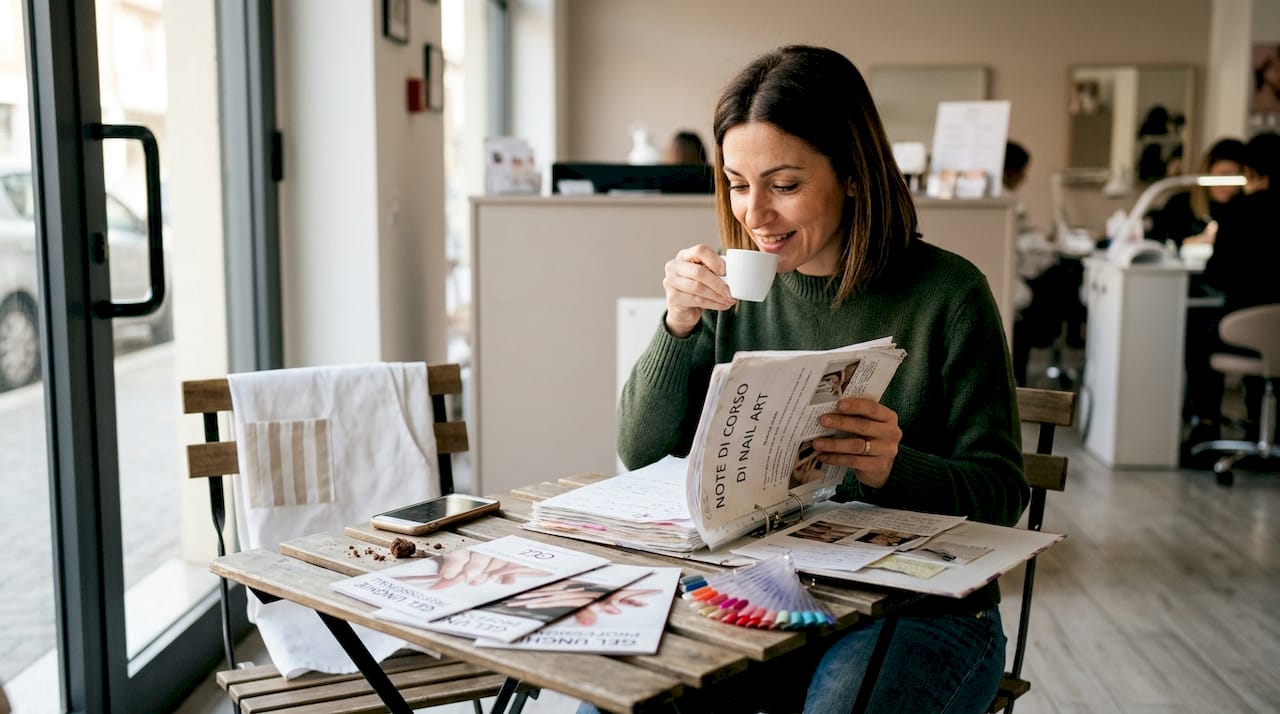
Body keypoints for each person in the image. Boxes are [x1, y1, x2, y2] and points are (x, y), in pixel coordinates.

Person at [612, 45, 1025, 714]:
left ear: (854, 174)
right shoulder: (735, 295)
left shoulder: (949, 294)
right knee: (618, 700)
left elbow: (1003, 494)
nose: (754, 214)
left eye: (783, 184)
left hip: (924, 610)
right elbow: (640, 448)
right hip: (761, 588)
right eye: (737, 184)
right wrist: (677, 325)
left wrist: (894, 467)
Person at [1183, 132, 1280, 454]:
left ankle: (1206, 421)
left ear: (1249, 172)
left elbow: (1217, 272)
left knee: (1197, 329)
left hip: (1242, 326)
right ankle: (1261, 424)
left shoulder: (1238, 213)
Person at [1146, 137, 1247, 249]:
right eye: (1223, 174)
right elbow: (1158, 244)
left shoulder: (1245, 210)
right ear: (1208, 172)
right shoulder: (1179, 205)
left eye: (1236, 177)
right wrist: (1196, 241)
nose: (1229, 185)